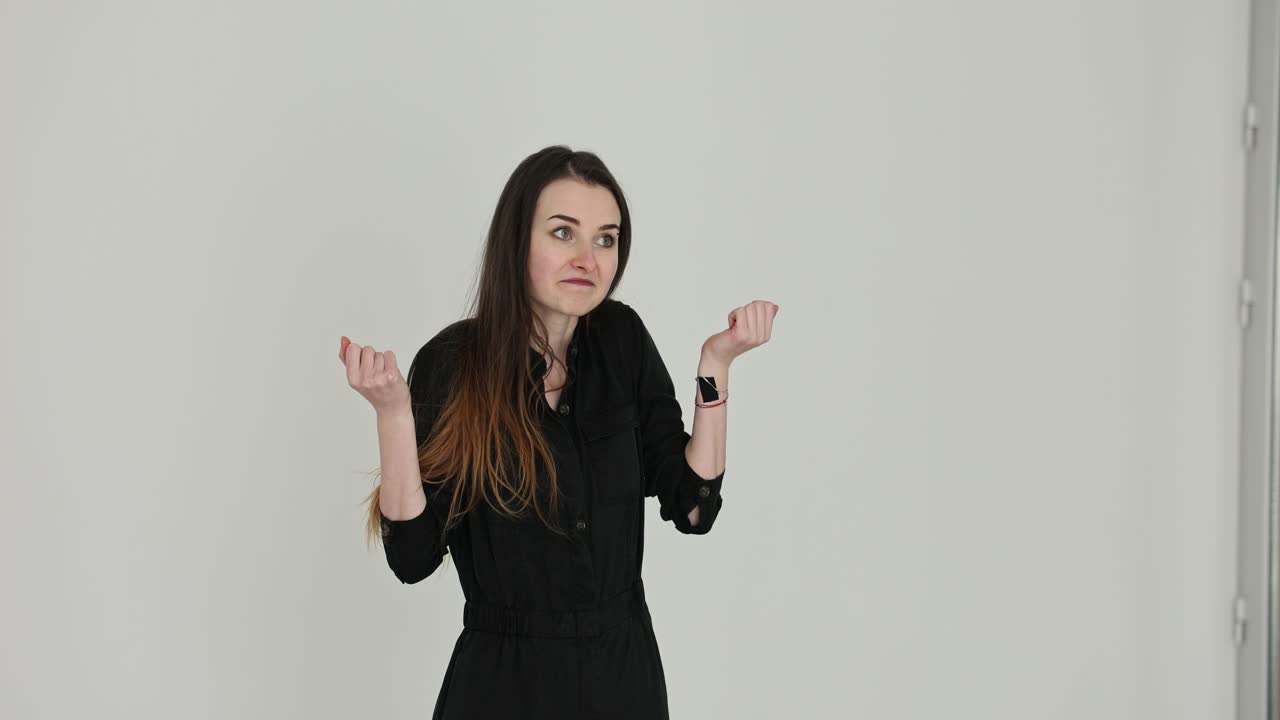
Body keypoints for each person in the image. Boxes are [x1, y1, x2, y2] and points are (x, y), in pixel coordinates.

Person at [339, 145, 778, 719]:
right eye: (563, 233)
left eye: (605, 239)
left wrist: (716, 364)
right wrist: (393, 415)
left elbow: (694, 507)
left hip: (623, 682)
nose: (587, 259)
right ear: (516, 240)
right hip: (503, 688)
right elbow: (414, 558)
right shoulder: (453, 363)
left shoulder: (622, 341)